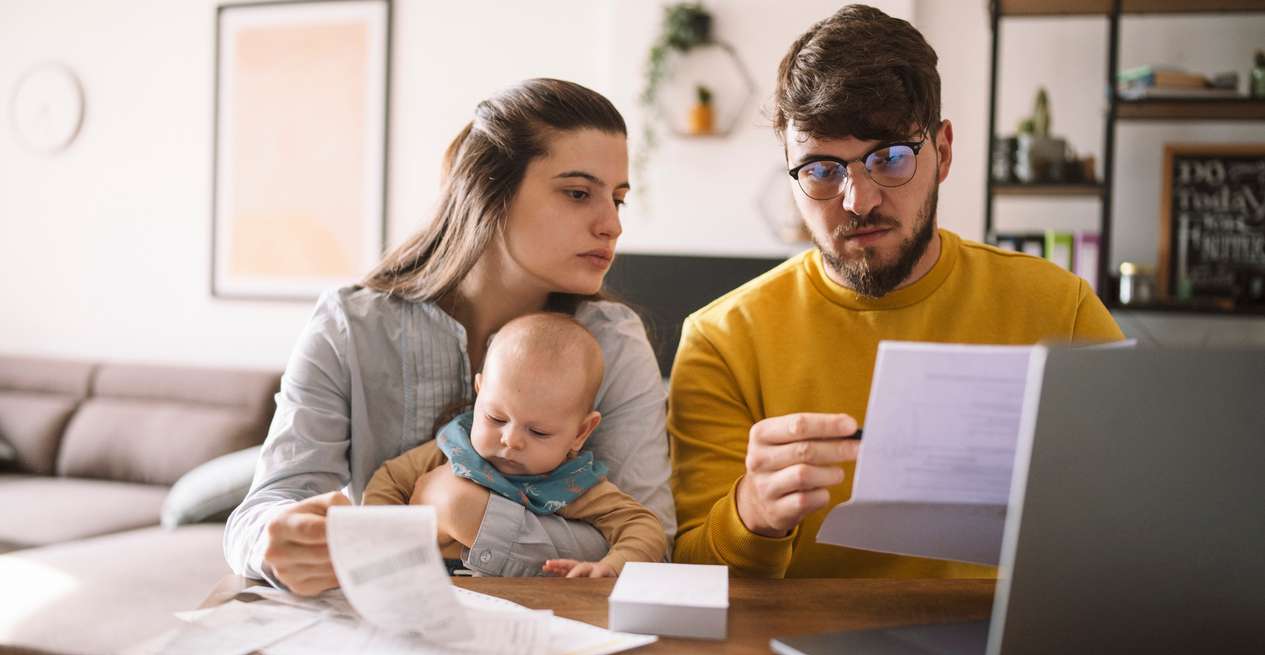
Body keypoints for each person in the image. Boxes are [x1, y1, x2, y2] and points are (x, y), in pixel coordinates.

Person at [669, 5, 1124, 579]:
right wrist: (752, 514)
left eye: (889, 158)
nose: (858, 201)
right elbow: (686, 577)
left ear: (945, 152)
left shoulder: (1062, 309)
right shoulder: (721, 340)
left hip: (1007, 649)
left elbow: (1141, 515)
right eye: (821, 169)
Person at [224, 79, 674, 596]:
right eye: (578, 194)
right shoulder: (350, 326)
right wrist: (276, 542)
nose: (612, 224)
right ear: (489, 191)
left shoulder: (613, 342)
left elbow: (652, 541)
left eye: (618, 199)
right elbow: (259, 513)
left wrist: (465, 512)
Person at [361, 312, 667, 578]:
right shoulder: (453, 448)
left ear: (581, 432)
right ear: (479, 393)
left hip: (526, 603)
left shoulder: (573, 483)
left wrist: (613, 566)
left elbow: (644, 527)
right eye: (495, 418)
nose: (511, 440)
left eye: (538, 432)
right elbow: (388, 481)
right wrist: (381, 546)